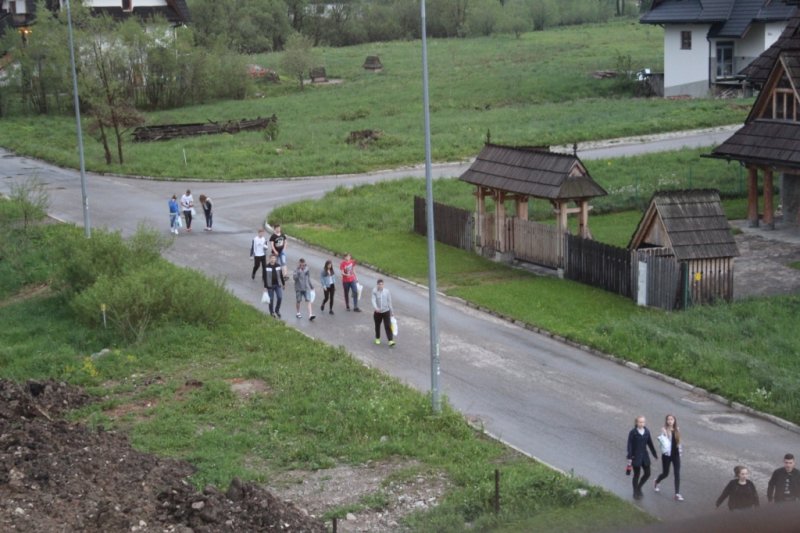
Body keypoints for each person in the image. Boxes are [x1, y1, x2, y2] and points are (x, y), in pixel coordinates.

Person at [627, 415, 658, 500]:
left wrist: (654, 453)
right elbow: (629, 445)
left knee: (648, 473)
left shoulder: (647, 431)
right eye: (640, 422)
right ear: (636, 423)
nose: (642, 423)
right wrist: (629, 456)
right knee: (636, 475)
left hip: (644, 456)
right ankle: (635, 492)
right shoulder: (633, 432)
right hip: (635, 456)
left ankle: (639, 487)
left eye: (643, 422)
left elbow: (650, 443)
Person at [654, 414, 683, 501]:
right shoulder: (664, 430)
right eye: (668, 419)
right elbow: (664, 442)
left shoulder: (677, 430)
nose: (670, 421)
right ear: (666, 421)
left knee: (677, 473)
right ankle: (657, 481)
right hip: (667, 455)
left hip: (676, 455)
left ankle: (677, 494)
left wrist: (680, 451)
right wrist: (666, 433)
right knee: (665, 473)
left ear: (674, 421)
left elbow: (678, 442)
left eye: (672, 419)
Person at [371, 279, 395, 346]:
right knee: (377, 325)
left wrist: (391, 311)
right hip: (378, 312)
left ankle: (390, 340)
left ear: (383, 285)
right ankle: (377, 338)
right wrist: (376, 308)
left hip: (386, 311)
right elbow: (373, 300)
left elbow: (389, 302)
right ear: (377, 285)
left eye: (382, 284)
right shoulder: (374, 291)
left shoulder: (387, 291)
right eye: (379, 284)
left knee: (388, 326)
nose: (381, 286)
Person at [264, 254, 284, 318]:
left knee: (280, 297)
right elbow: (264, 277)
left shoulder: (278, 266)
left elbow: (281, 275)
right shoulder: (266, 267)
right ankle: (271, 312)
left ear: (275, 259)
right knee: (271, 299)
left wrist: (283, 283)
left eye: (274, 258)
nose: (273, 259)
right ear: (269, 259)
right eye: (272, 258)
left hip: (277, 285)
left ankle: (277, 310)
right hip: (270, 286)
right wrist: (265, 287)